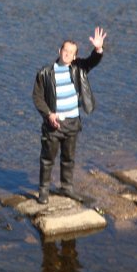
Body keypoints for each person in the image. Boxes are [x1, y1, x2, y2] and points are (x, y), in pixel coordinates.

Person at [32, 27, 107, 204]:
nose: (67, 54)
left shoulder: (78, 68)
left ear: (74, 56)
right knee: (47, 158)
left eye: (71, 53)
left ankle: (66, 188)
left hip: (73, 123)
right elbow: (37, 97)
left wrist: (98, 49)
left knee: (68, 158)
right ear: (59, 51)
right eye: (65, 51)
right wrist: (49, 114)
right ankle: (43, 190)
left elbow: (92, 61)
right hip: (54, 123)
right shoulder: (45, 73)